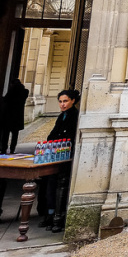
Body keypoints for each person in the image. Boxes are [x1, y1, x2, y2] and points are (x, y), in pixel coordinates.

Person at [39, 89, 80, 233]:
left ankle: (57, 217)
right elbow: (52, 135)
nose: (62, 104)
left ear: (73, 101)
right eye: (60, 102)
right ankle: (48, 214)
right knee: (47, 183)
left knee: (59, 185)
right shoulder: (62, 116)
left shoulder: (74, 116)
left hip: (65, 156)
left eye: (65, 101)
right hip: (55, 155)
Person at [1, 78, 29, 154]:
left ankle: (3, 149)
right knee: (15, 135)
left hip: (8, 116)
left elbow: (5, 99)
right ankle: (12, 149)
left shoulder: (11, 91)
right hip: (18, 117)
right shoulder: (25, 92)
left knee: (5, 134)